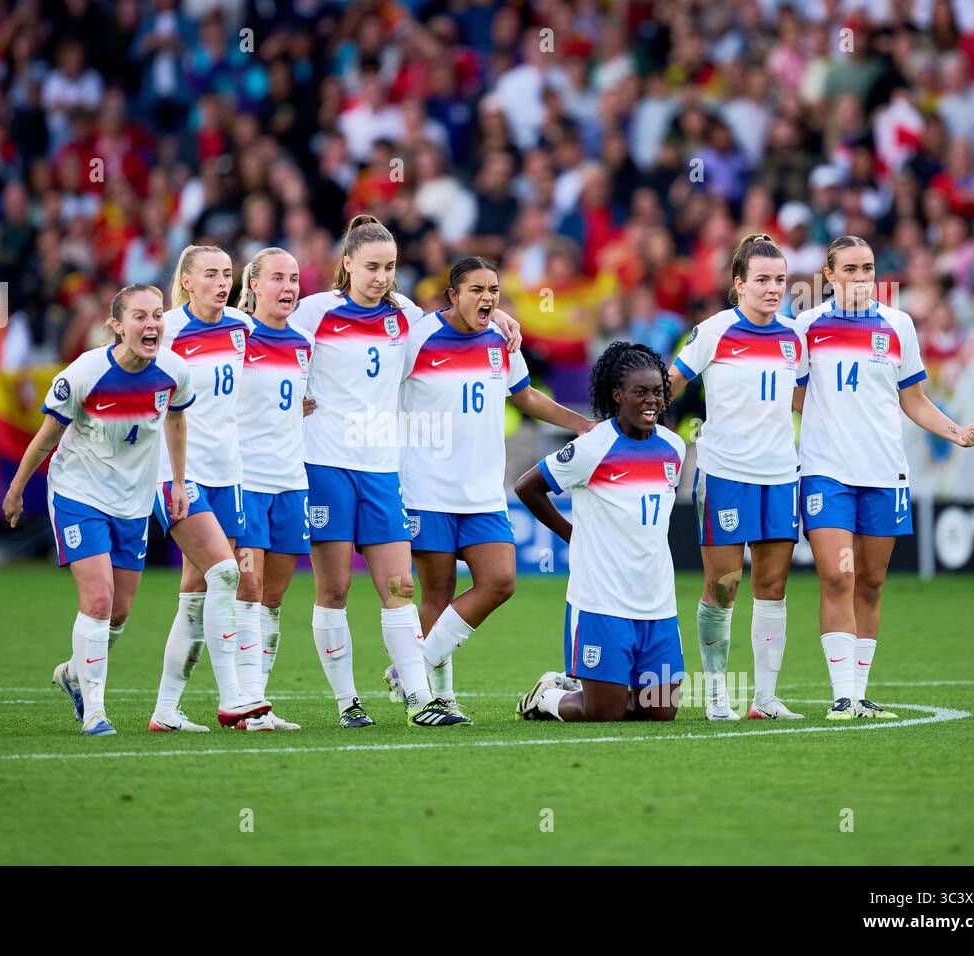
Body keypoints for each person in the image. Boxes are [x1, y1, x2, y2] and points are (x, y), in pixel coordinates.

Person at [291, 214, 519, 728]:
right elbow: (273, 343)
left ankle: (419, 700)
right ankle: (348, 702)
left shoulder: (405, 318)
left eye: (390, 267)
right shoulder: (315, 313)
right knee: (334, 591)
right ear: (347, 264)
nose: (381, 277)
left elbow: (456, 321)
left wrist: (501, 317)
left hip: (382, 471)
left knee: (400, 588)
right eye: (371, 267)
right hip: (326, 464)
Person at [386, 256, 593, 718]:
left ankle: (411, 668)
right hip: (427, 488)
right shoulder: (418, 337)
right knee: (436, 596)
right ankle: (438, 698)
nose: (486, 298)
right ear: (452, 295)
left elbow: (524, 395)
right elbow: (381, 387)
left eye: (493, 290)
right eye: (476, 289)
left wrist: (580, 423)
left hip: (481, 490)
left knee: (500, 581)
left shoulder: (502, 338)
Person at [794, 236, 974, 719]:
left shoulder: (898, 324)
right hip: (826, 472)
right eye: (851, 270)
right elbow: (794, 396)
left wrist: (957, 432)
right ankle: (841, 696)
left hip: (884, 471)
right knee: (838, 576)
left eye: (868, 269)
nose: (862, 279)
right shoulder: (806, 326)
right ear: (830, 275)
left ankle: (860, 694)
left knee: (872, 583)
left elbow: (914, 399)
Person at [3, 284, 192, 736]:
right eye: (140, 317)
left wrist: (180, 482)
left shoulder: (174, 371)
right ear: (116, 326)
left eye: (157, 316)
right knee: (99, 599)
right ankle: (95, 712)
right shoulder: (85, 373)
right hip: (78, 493)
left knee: (121, 611)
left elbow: (177, 418)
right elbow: (47, 435)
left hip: (133, 501)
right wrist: (16, 490)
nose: (151, 325)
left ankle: (73, 672)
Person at [667, 235, 808, 721]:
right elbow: (670, 383)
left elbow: (805, 401)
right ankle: (716, 695)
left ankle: (765, 700)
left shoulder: (795, 337)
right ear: (739, 283)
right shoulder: (713, 332)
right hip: (725, 473)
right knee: (724, 584)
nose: (773, 289)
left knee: (773, 586)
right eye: (763, 280)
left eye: (780, 280)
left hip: (780, 475)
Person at [515, 342, 686, 723]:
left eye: (657, 391)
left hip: (658, 602)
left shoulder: (674, 447)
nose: (651, 401)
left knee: (659, 712)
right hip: (601, 601)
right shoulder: (594, 446)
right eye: (639, 392)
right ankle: (547, 696)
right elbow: (528, 487)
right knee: (602, 714)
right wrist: (570, 534)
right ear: (617, 395)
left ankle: (599, 684)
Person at [148, 245, 274, 732]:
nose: (222, 283)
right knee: (227, 575)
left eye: (228, 274)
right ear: (185, 280)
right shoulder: (168, 332)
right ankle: (233, 700)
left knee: (197, 593)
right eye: (210, 275)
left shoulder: (242, 328)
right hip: (178, 475)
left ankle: (165, 710)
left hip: (229, 474)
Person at [230, 247, 314, 730]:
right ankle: (246, 701)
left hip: (291, 482)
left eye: (295, 279)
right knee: (249, 587)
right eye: (278, 278)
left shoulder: (303, 343)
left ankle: (259, 699)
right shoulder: (237, 336)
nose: (288, 287)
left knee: (276, 597)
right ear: (255, 285)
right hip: (248, 481)